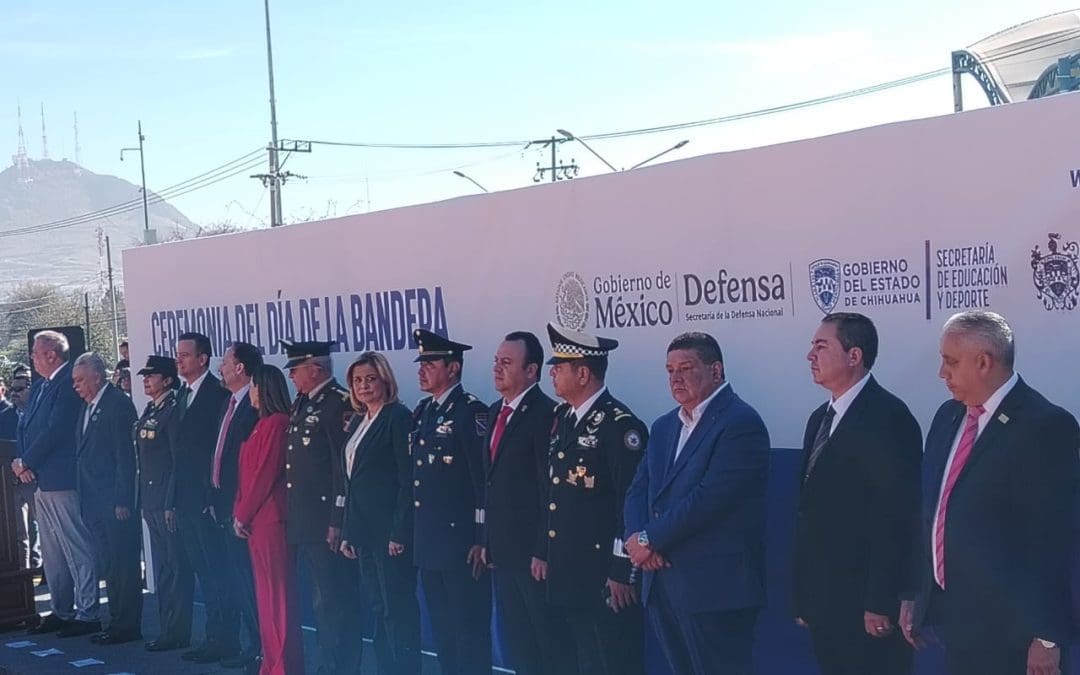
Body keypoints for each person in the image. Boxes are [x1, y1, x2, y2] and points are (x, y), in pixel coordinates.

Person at [901, 311, 1078, 675]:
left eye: (950, 361)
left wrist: (1046, 636)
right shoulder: (947, 417)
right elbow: (935, 512)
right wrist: (916, 594)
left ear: (984, 362)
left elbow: (1054, 539)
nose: (941, 373)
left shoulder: (1045, 427)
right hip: (958, 626)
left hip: (1015, 636)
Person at [623, 331, 770, 675]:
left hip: (714, 590)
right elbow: (637, 490)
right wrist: (636, 539)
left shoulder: (740, 423)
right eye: (669, 370)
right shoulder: (663, 427)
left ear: (716, 370)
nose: (675, 378)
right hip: (662, 584)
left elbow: (710, 499)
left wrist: (651, 539)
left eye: (686, 368)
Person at [791, 314, 921, 675]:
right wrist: (806, 598)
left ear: (854, 355)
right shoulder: (820, 418)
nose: (810, 356)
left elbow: (896, 516)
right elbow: (809, 511)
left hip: (866, 607)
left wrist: (880, 601)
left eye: (821, 346)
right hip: (825, 603)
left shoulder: (889, 418)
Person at [539, 323, 646, 675]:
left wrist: (622, 570)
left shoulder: (619, 425)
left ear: (583, 373)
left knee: (609, 661)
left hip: (602, 577)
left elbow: (630, 504)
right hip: (569, 572)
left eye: (560, 367)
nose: (551, 373)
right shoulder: (564, 419)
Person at [481, 331, 570, 675]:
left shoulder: (547, 414)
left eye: (507, 362)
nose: (497, 369)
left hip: (533, 557)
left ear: (532, 370)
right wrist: (486, 540)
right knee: (518, 645)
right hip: (502, 553)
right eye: (496, 361)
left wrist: (542, 549)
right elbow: (490, 484)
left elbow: (550, 491)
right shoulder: (494, 412)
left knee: (546, 644)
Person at [411, 328, 492, 675]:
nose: (422, 369)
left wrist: (480, 537)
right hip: (429, 542)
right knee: (443, 632)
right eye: (422, 363)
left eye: (430, 363)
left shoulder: (470, 412)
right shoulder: (423, 411)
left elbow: (482, 482)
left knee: (468, 631)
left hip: (461, 543)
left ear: (453, 368)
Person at [282, 339, 363, 674]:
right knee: (321, 601)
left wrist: (336, 519)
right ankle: (329, 663)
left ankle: (340, 666)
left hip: (326, 521)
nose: (292, 377)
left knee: (334, 600)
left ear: (315, 369)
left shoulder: (338, 404)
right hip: (304, 520)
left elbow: (340, 469)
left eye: (296, 370)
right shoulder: (302, 403)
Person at [13, 330, 101, 637]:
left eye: (36, 353)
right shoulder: (40, 387)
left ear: (52, 354)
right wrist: (21, 461)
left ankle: (88, 611)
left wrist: (28, 461)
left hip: (61, 477)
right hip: (39, 480)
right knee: (52, 552)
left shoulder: (66, 384)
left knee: (76, 546)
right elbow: (27, 426)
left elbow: (57, 430)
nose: (32, 358)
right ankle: (62, 609)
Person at [339, 351, 421, 675]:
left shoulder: (397, 417)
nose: (363, 386)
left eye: (370, 379)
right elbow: (351, 482)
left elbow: (407, 479)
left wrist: (399, 531)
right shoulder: (359, 420)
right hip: (364, 532)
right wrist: (348, 530)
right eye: (357, 381)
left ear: (385, 379)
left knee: (396, 610)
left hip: (389, 535)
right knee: (378, 607)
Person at [234, 364, 304, 675]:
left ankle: (283, 665)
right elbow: (245, 477)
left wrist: (242, 513)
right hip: (255, 523)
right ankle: (271, 661)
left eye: (253, 386)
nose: (249, 392)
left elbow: (265, 474)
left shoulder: (278, 423)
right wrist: (240, 512)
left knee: (278, 597)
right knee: (266, 597)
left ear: (264, 389)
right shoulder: (261, 424)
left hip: (271, 520)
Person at [72, 352, 143, 645]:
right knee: (110, 565)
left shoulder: (117, 405)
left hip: (115, 504)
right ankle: (116, 621)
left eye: (80, 380)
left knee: (123, 564)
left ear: (97, 377)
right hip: (94, 502)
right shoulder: (88, 407)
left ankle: (127, 625)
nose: (76, 386)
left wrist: (122, 500)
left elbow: (125, 457)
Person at [171, 332, 234, 664]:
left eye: (185, 355)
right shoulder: (182, 394)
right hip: (185, 501)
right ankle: (213, 635)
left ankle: (226, 638)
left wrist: (211, 496)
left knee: (217, 571)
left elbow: (218, 452)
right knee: (202, 572)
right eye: (177, 354)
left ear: (204, 359)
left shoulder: (217, 395)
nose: (179, 360)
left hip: (207, 502)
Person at [211, 342, 264, 671]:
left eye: (226, 362)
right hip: (223, 506)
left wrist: (239, 507)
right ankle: (251, 643)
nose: (221, 368)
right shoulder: (228, 403)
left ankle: (260, 647)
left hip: (245, 512)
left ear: (241, 368)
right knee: (237, 581)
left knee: (251, 583)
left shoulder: (255, 406)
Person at [137, 355, 194, 652]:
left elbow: (176, 462)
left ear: (168, 380)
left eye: (153, 375)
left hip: (165, 501)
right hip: (150, 499)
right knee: (163, 568)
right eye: (145, 375)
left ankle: (177, 630)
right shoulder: (151, 409)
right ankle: (166, 628)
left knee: (176, 567)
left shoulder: (172, 411)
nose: (146, 379)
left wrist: (171, 501)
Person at [7, 365, 39, 574]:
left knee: (43, 528)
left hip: (35, 478)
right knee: (20, 532)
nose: (14, 394)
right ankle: (24, 572)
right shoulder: (7, 415)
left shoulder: (39, 413)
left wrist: (27, 465)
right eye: (12, 389)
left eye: (19, 389)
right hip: (11, 481)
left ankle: (41, 569)